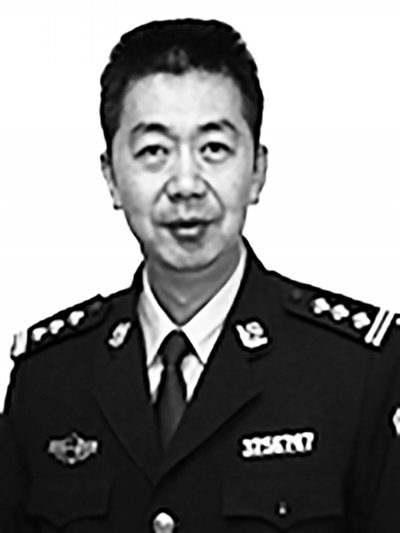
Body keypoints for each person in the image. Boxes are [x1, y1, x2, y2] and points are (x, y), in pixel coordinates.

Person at [0, 18, 399, 533]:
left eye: (214, 149)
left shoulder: (358, 371)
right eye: (154, 151)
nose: (186, 184)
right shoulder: (47, 378)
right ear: (111, 178)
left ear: (256, 171)